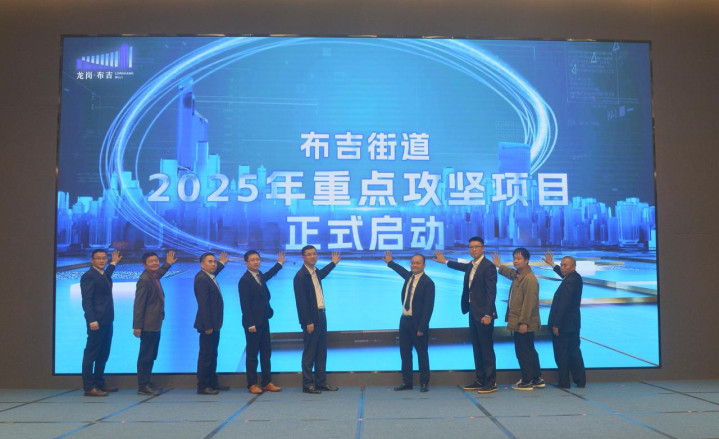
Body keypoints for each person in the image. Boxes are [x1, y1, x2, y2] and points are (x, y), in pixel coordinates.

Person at [433, 237, 498, 394]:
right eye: (471, 247)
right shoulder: (472, 265)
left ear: (483, 248)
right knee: (477, 348)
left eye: (476, 246)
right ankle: (480, 379)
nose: (473, 249)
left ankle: (490, 382)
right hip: (473, 312)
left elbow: (491, 292)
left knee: (486, 349)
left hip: (484, 314)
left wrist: (488, 314)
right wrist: (445, 261)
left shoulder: (488, 266)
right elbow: (461, 266)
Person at [383, 251, 435, 392]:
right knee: (405, 353)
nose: (414, 265)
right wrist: (390, 262)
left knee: (422, 354)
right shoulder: (409, 277)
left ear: (424, 265)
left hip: (418, 324)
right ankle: (407, 383)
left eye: (418, 263)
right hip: (404, 321)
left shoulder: (428, 283)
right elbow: (401, 270)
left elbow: (428, 308)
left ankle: (424, 383)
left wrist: (422, 327)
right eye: (412, 263)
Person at [492, 248, 544, 391]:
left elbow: (529, 303)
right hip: (521, 322)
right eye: (514, 258)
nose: (515, 261)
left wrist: (523, 323)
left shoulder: (530, 279)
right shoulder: (519, 275)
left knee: (523, 352)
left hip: (524, 323)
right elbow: (510, 273)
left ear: (526, 260)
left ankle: (527, 381)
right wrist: (499, 265)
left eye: (519, 258)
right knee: (529, 350)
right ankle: (536, 378)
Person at [293, 245, 340, 394]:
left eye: (314, 253)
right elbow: (301, 303)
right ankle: (308, 384)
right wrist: (308, 322)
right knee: (310, 352)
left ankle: (321, 382)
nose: (313, 256)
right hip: (311, 318)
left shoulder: (315, 272)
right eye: (309, 254)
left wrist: (333, 263)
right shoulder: (301, 276)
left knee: (321, 350)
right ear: (303, 257)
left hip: (321, 314)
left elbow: (323, 273)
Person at [238, 250, 285, 394]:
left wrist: (279, 264)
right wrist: (250, 324)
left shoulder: (259, 276)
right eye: (252, 260)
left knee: (266, 352)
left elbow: (268, 275)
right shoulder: (245, 280)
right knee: (252, 355)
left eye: (257, 259)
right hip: (252, 324)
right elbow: (245, 304)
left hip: (264, 320)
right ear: (246, 263)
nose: (256, 262)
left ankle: (266, 382)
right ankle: (252, 384)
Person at [133, 250, 177, 396]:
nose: (154, 263)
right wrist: (137, 326)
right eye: (151, 261)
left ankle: (147, 382)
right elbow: (139, 305)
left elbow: (159, 273)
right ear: (144, 264)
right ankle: (143, 386)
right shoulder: (144, 280)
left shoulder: (153, 276)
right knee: (146, 356)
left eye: (156, 260)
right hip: (147, 325)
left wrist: (167, 264)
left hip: (155, 323)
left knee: (151, 355)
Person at [80, 249, 122, 397]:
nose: (101, 260)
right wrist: (91, 320)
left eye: (104, 258)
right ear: (92, 260)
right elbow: (86, 301)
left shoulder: (102, 274)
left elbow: (107, 276)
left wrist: (114, 263)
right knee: (91, 354)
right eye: (98, 258)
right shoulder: (88, 276)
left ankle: (100, 383)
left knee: (103, 354)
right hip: (96, 322)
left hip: (107, 320)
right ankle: (89, 387)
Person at [543, 250, 586, 388]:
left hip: (565, 325)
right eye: (561, 265)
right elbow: (563, 274)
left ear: (573, 267)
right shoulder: (574, 278)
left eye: (565, 265)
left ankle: (564, 381)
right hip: (572, 324)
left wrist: (557, 324)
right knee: (574, 352)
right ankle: (580, 380)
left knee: (562, 354)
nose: (562, 267)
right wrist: (552, 264)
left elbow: (563, 305)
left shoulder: (570, 281)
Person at [194, 251, 230, 395]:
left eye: (214, 261)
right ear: (202, 264)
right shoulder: (202, 279)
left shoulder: (208, 276)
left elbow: (215, 271)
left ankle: (212, 382)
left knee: (212, 354)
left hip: (215, 323)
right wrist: (208, 325)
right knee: (206, 356)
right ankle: (203, 386)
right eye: (210, 262)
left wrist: (222, 263)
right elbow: (203, 304)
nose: (213, 264)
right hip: (207, 325)